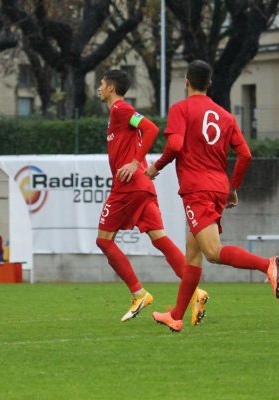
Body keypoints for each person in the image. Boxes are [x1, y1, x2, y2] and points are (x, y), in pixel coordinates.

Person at [146, 60, 278, 332]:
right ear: (209, 83)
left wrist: (155, 167)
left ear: (186, 81)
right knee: (192, 255)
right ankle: (177, 315)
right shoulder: (225, 116)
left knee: (213, 252)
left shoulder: (180, 109)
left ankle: (269, 264)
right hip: (216, 187)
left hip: (198, 190)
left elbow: (174, 144)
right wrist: (232, 187)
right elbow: (245, 154)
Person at [96, 69, 208, 324]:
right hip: (143, 186)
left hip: (129, 185)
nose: (99, 88)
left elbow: (151, 128)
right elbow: (142, 130)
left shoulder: (120, 110)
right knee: (159, 238)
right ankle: (196, 293)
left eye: (101, 84)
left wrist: (136, 162)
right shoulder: (118, 114)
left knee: (103, 241)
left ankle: (138, 293)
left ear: (111, 88)